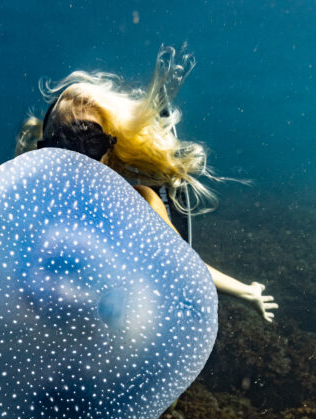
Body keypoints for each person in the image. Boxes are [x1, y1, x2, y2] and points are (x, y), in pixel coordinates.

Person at [15, 46, 277, 323]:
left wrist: (247, 293)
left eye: (88, 141)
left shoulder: (137, 203)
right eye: (62, 144)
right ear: (45, 150)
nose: (77, 157)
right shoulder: (30, 202)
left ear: (109, 149)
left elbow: (183, 267)